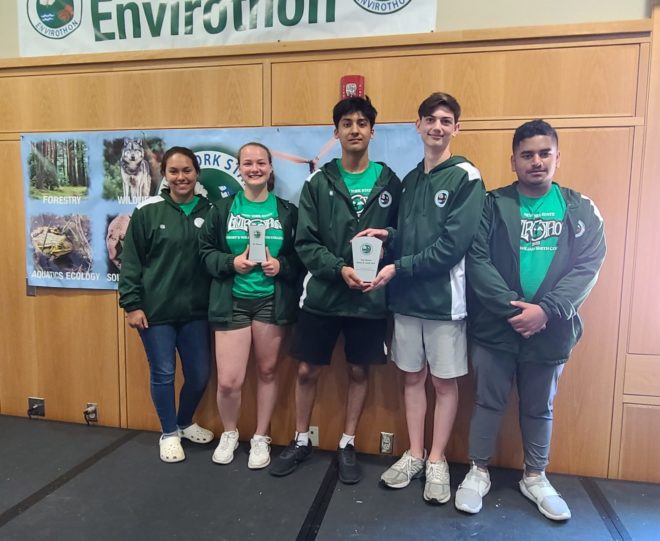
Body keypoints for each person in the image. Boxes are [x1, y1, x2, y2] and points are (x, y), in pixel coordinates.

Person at [454, 119, 606, 521]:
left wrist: (546, 311)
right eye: (527, 155)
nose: (536, 162)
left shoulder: (580, 208)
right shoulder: (491, 203)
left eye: (544, 153)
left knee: (540, 408)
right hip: (496, 328)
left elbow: (589, 265)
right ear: (513, 160)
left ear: (557, 157)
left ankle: (535, 476)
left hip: (550, 330)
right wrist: (511, 308)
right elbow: (477, 259)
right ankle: (478, 471)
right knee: (488, 402)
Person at [357, 92, 485, 503]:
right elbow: (413, 237)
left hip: (445, 303)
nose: (437, 127)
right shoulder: (410, 180)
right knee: (411, 377)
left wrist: (399, 266)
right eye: (430, 119)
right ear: (417, 125)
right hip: (407, 301)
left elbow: (452, 246)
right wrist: (388, 236)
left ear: (456, 128)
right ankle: (414, 454)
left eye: (446, 120)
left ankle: (437, 460)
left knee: (443, 383)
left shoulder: (466, 176)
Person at [269, 96, 401, 484]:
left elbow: (402, 235)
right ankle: (301, 438)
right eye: (347, 123)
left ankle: (346, 443)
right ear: (336, 132)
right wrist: (338, 268)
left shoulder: (390, 182)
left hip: (370, 297)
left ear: (372, 132)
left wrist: (389, 236)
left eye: (362, 123)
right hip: (324, 296)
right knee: (308, 368)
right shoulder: (318, 181)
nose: (355, 129)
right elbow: (305, 242)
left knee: (359, 370)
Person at [199, 142, 301, 469]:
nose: (254, 168)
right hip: (232, 301)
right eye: (248, 163)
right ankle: (230, 432)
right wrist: (231, 262)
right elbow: (204, 253)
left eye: (261, 163)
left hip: (272, 300)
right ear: (240, 169)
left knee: (268, 371)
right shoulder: (223, 209)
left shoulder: (287, 211)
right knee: (229, 380)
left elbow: (301, 257)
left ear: (271, 168)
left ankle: (261, 436)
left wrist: (281, 266)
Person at [119, 146, 214, 463]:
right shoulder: (148, 211)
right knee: (163, 373)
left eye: (187, 170)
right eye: (174, 171)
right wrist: (132, 305)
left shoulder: (210, 210)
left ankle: (184, 422)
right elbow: (131, 262)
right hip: (155, 313)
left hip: (197, 312)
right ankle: (169, 434)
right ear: (165, 175)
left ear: (196, 173)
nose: (181, 177)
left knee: (199, 375)